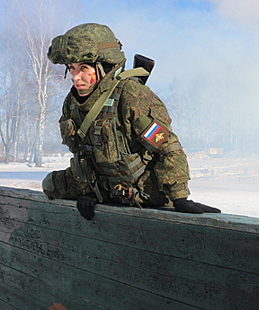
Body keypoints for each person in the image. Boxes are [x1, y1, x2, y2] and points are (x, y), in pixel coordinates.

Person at [42, 23, 220, 220]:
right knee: (50, 185)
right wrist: (89, 190)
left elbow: (167, 147)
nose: (76, 77)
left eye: (84, 68)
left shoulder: (132, 95)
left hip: (143, 191)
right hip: (103, 188)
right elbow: (82, 154)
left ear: (105, 66)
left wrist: (179, 197)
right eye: (71, 68)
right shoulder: (72, 103)